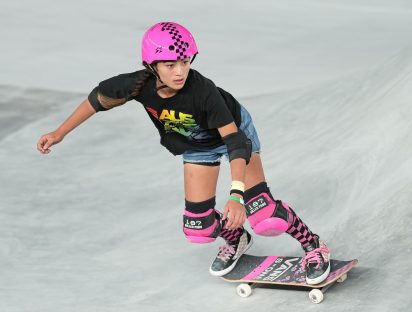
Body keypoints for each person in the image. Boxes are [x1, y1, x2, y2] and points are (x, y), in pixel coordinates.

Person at [37, 22, 330, 285]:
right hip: (197, 147)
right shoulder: (136, 84)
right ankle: (237, 238)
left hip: (235, 134)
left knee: (265, 216)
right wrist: (60, 132)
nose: (179, 72)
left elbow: (236, 142)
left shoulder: (203, 91)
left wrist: (236, 196)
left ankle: (313, 244)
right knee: (198, 227)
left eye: (184, 61)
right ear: (151, 65)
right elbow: (96, 100)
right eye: (169, 65)